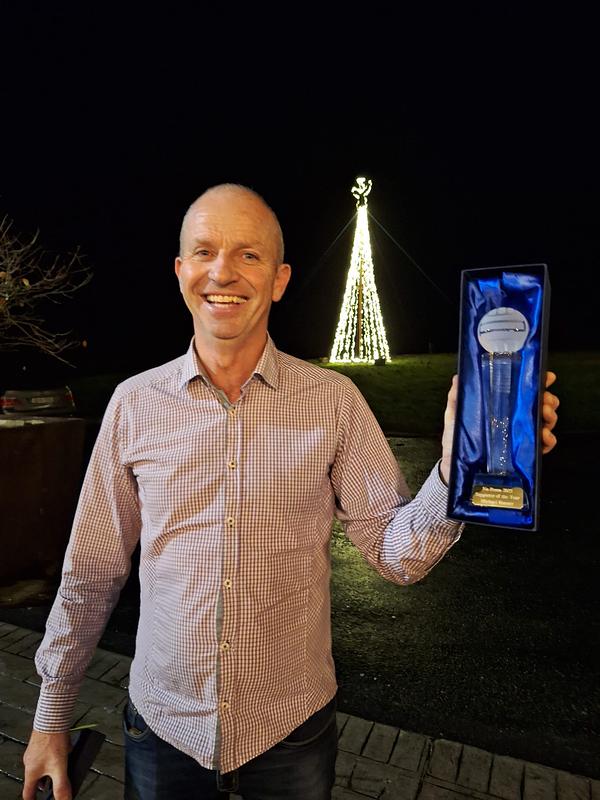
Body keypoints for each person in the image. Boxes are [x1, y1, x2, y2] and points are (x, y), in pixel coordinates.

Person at [23, 184, 559, 800]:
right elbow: (91, 573)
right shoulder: (133, 405)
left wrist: (455, 467)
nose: (223, 272)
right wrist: (49, 719)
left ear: (279, 280)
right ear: (180, 271)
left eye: (248, 255)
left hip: (290, 735)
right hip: (164, 728)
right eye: (204, 251)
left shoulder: (334, 403)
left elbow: (397, 555)